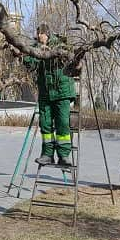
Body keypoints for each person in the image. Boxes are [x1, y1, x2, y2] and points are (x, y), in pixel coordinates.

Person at [23, 24, 76, 167]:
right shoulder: (35, 47)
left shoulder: (60, 44)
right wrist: (37, 52)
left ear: (46, 34)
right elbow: (29, 64)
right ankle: (47, 155)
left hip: (62, 91)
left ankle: (64, 156)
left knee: (63, 124)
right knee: (45, 124)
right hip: (46, 93)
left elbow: (70, 58)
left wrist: (52, 51)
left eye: (40, 34)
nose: (38, 37)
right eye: (37, 34)